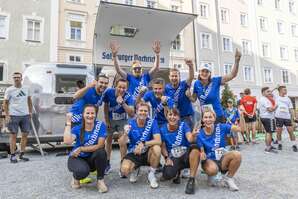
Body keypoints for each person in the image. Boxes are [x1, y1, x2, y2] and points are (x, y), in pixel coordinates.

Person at [64, 105, 108, 193]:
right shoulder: (77, 128)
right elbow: (67, 141)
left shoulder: (100, 125)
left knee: (101, 152)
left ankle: (100, 181)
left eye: (92, 113)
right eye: (87, 113)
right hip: (77, 157)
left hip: (91, 157)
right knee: (83, 171)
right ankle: (76, 177)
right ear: (83, 115)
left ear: (95, 115)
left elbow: (100, 145)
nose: (90, 115)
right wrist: (68, 123)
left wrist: (81, 148)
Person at [189, 49, 242, 123]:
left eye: (207, 71)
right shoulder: (196, 83)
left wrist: (237, 60)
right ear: (199, 72)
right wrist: (189, 96)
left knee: (218, 134)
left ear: (210, 73)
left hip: (217, 116)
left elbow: (232, 75)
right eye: (203, 71)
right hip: (206, 117)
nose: (204, 73)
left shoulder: (215, 81)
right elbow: (194, 99)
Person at [197, 109, 242, 191]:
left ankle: (229, 178)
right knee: (212, 170)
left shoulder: (221, 126)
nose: (208, 120)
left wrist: (240, 119)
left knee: (237, 155)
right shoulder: (199, 133)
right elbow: (201, 149)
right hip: (209, 160)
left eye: (210, 117)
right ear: (202, 119)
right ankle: (212, 174)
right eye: (205, 117)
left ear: (214, 118)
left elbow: (238, 129)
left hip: (222, 158)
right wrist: (202, 154)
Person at [120, 102, 161, 189]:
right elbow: (121, 143)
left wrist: (143, 143)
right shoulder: (131, 123)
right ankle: (135, 168)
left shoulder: (152, 122)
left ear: (148, 113)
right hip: (134, 152)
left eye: (145, 111)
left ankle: (151, 173)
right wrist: (125, 134)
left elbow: (158, 140)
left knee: (157, 148)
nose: (143, 113)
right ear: (136, 112)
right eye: (141, 110)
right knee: (124, 170)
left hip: (147, 152)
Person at [160, 108, 200, 194]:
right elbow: (162, 146)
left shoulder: (183, 125)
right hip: (173, 156)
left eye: (175, 115)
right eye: (170, 115)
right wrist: (167, 158)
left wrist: (193, 135)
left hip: (186, 154)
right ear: (166, 116)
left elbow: (189, 139)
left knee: (195, 148)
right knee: (168, 175)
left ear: (178, 117)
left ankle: (191, 179)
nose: (172, 117)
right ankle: (177, 172)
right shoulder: (162, 129)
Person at [103, 78, 135, 174]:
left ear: (127, 88)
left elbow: (132, 114)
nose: (121, 89)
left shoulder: (129, 97)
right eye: (120, 87)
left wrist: (123, 103)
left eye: (124, 88)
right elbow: (105, 106)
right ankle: (107, 163)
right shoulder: (109, 92)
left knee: (122, 142)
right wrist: (107, 120)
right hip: (110, 119)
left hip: (122, 120)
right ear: (115, 86)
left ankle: (122, 164)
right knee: (108, 141)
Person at [3, 72, 32, 163]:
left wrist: (30, 112)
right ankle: (12, 156)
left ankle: (22, 154)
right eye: (14, 77)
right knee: (13, 135)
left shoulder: (26, 88)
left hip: (25, 115)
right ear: (13, 79)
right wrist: (7, 115)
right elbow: (5, 103)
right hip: (14, 115)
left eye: (18, 77)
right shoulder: (9, 90)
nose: (16, 79)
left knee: (25, 135)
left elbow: (29, 100)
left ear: (21, 78)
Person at [165, 59, 195, 129]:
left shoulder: (184, 84)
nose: (174, 78)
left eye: (176, 76)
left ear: (179, 77)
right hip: (174, 118)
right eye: (172, 76)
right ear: (169, 77)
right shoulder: (166, 88)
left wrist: (190, 66)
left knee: (189, 138)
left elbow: (191, 77)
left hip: (186, 117)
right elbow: (165, 103)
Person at [274, 86, 297, 152]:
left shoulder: (288, 99)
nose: (286, 91)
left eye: (286, 89)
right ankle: (279, 144)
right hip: (278, 117)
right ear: (280, 91)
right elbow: (267, 93)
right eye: (284, 90)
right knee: (279, 132)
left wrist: (293, 119)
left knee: (291, 131)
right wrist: (276, 88)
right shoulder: (276, 97)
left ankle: (294, 145)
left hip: (287, 117)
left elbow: (291, 109)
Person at [259, 87, 278, 153]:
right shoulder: (264, 99)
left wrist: (275, 88)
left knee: (268, 132)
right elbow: (270, 109)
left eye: (270, 91)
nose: (270, 93)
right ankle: (268, 148)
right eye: (268, 91)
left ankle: (269, 146)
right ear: (263, 92)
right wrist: (276, 105)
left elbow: (271, 93)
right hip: (268, 117)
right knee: (269, 133)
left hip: (266, 117)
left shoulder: (264, 98)